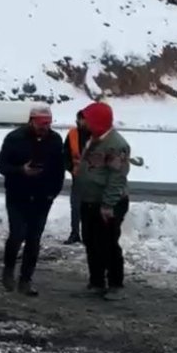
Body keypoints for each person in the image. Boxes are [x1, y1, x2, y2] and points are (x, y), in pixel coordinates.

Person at [0, 105, 66, 296]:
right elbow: (1, 166)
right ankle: (8, 269)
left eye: (49, 124)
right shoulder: (14, 138)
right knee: (17, 234)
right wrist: (21, 170)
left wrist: (53, 193)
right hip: (18, 195)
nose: (46, 127)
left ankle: (26, 279)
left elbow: (60, 169)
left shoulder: (55, 140)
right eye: (42, 124)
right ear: (32, 120)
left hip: (43, 197)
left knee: (34, 239)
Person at [76, 101, 130, 300]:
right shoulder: (93, 139)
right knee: (90, 241)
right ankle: (96, 281)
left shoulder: (116, 145)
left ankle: (115, 283)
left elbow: (117, 178)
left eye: (88, 120)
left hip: (108, 203)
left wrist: (108, 204)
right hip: (89, 200)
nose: (84, 123)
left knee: (107, 243)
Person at [63, 110, 91, 244]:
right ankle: (74, 234)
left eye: (85, 119)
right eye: (81, 119)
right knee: (76, 206)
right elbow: (65, 155)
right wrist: (71, 168)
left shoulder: (96, 135)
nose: (83, 122)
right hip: (77, 177)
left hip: (93, 179)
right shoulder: (72, 134)